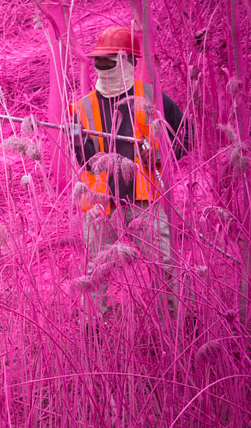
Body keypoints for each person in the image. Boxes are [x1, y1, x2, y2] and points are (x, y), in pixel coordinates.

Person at [69, 25, 191, 320]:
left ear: (129, 62)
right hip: (99, 204)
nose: (102, 67)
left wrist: (160, 155)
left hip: (144, 201)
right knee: (95, 271)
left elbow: (186, 135)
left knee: (164, 264)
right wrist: (76, 140)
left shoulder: (151, 97)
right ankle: (93, 330)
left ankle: (176, 325)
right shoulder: (82, 108)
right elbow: (85, 161)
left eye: (110, 61)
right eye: (99, 61)